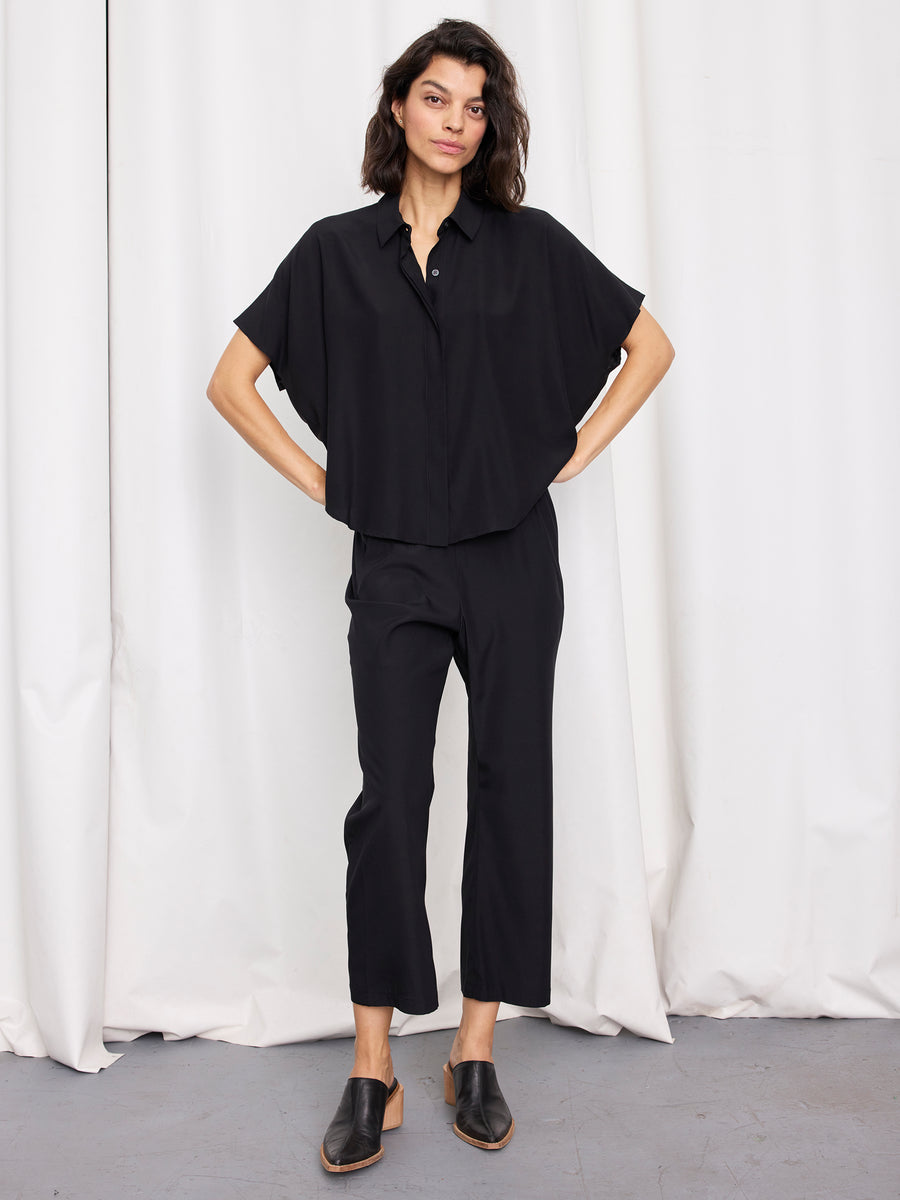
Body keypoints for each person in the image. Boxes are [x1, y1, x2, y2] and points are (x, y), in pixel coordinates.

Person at [207, 17, 674, 1174]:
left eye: (475, 105)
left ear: (490, 124)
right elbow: (232, 380)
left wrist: (573, 454)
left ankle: (475, 1049)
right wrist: (328, 483)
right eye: (436, 98)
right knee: (391, 802)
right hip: (397, 561)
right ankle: (373, 1069)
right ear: (398, 107)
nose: (456, 122)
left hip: (511, 555)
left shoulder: (528, 245)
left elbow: (649, 346)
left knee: (511, 787)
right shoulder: (334, 252)